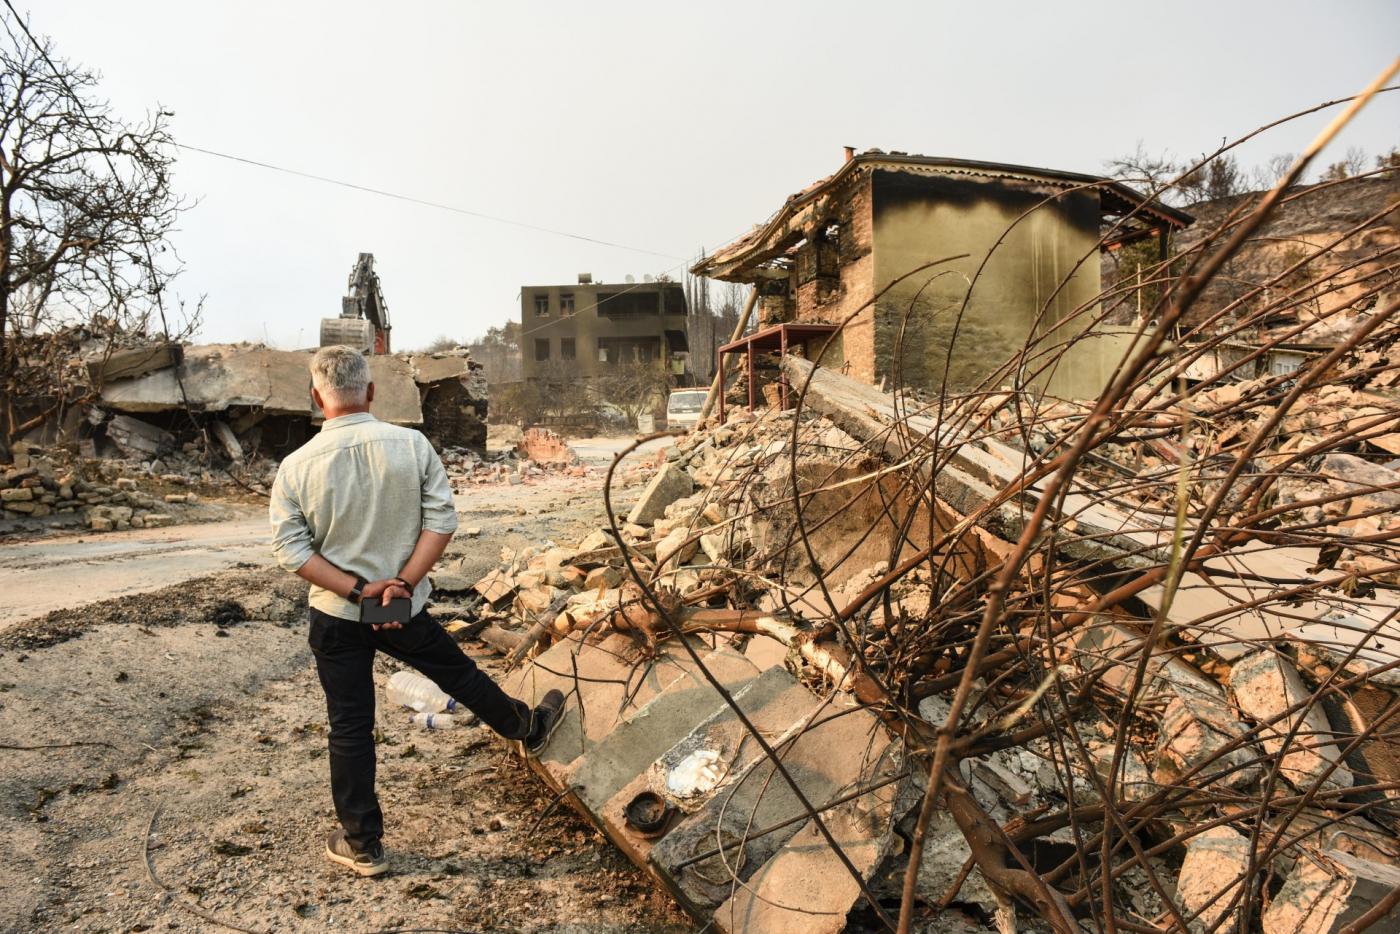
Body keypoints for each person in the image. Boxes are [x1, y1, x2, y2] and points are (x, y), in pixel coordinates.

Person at [269, 345, 564, 877]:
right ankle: (528, 728)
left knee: (350, 724)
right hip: (404, 606)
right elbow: (441, 522)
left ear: (316, 397)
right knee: (461, 675)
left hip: (338, 612)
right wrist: (401, 584)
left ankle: (362, 845)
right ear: (373, 391)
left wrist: (359, 591)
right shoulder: (410, 444)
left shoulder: (295, 466)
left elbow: (293, 551)